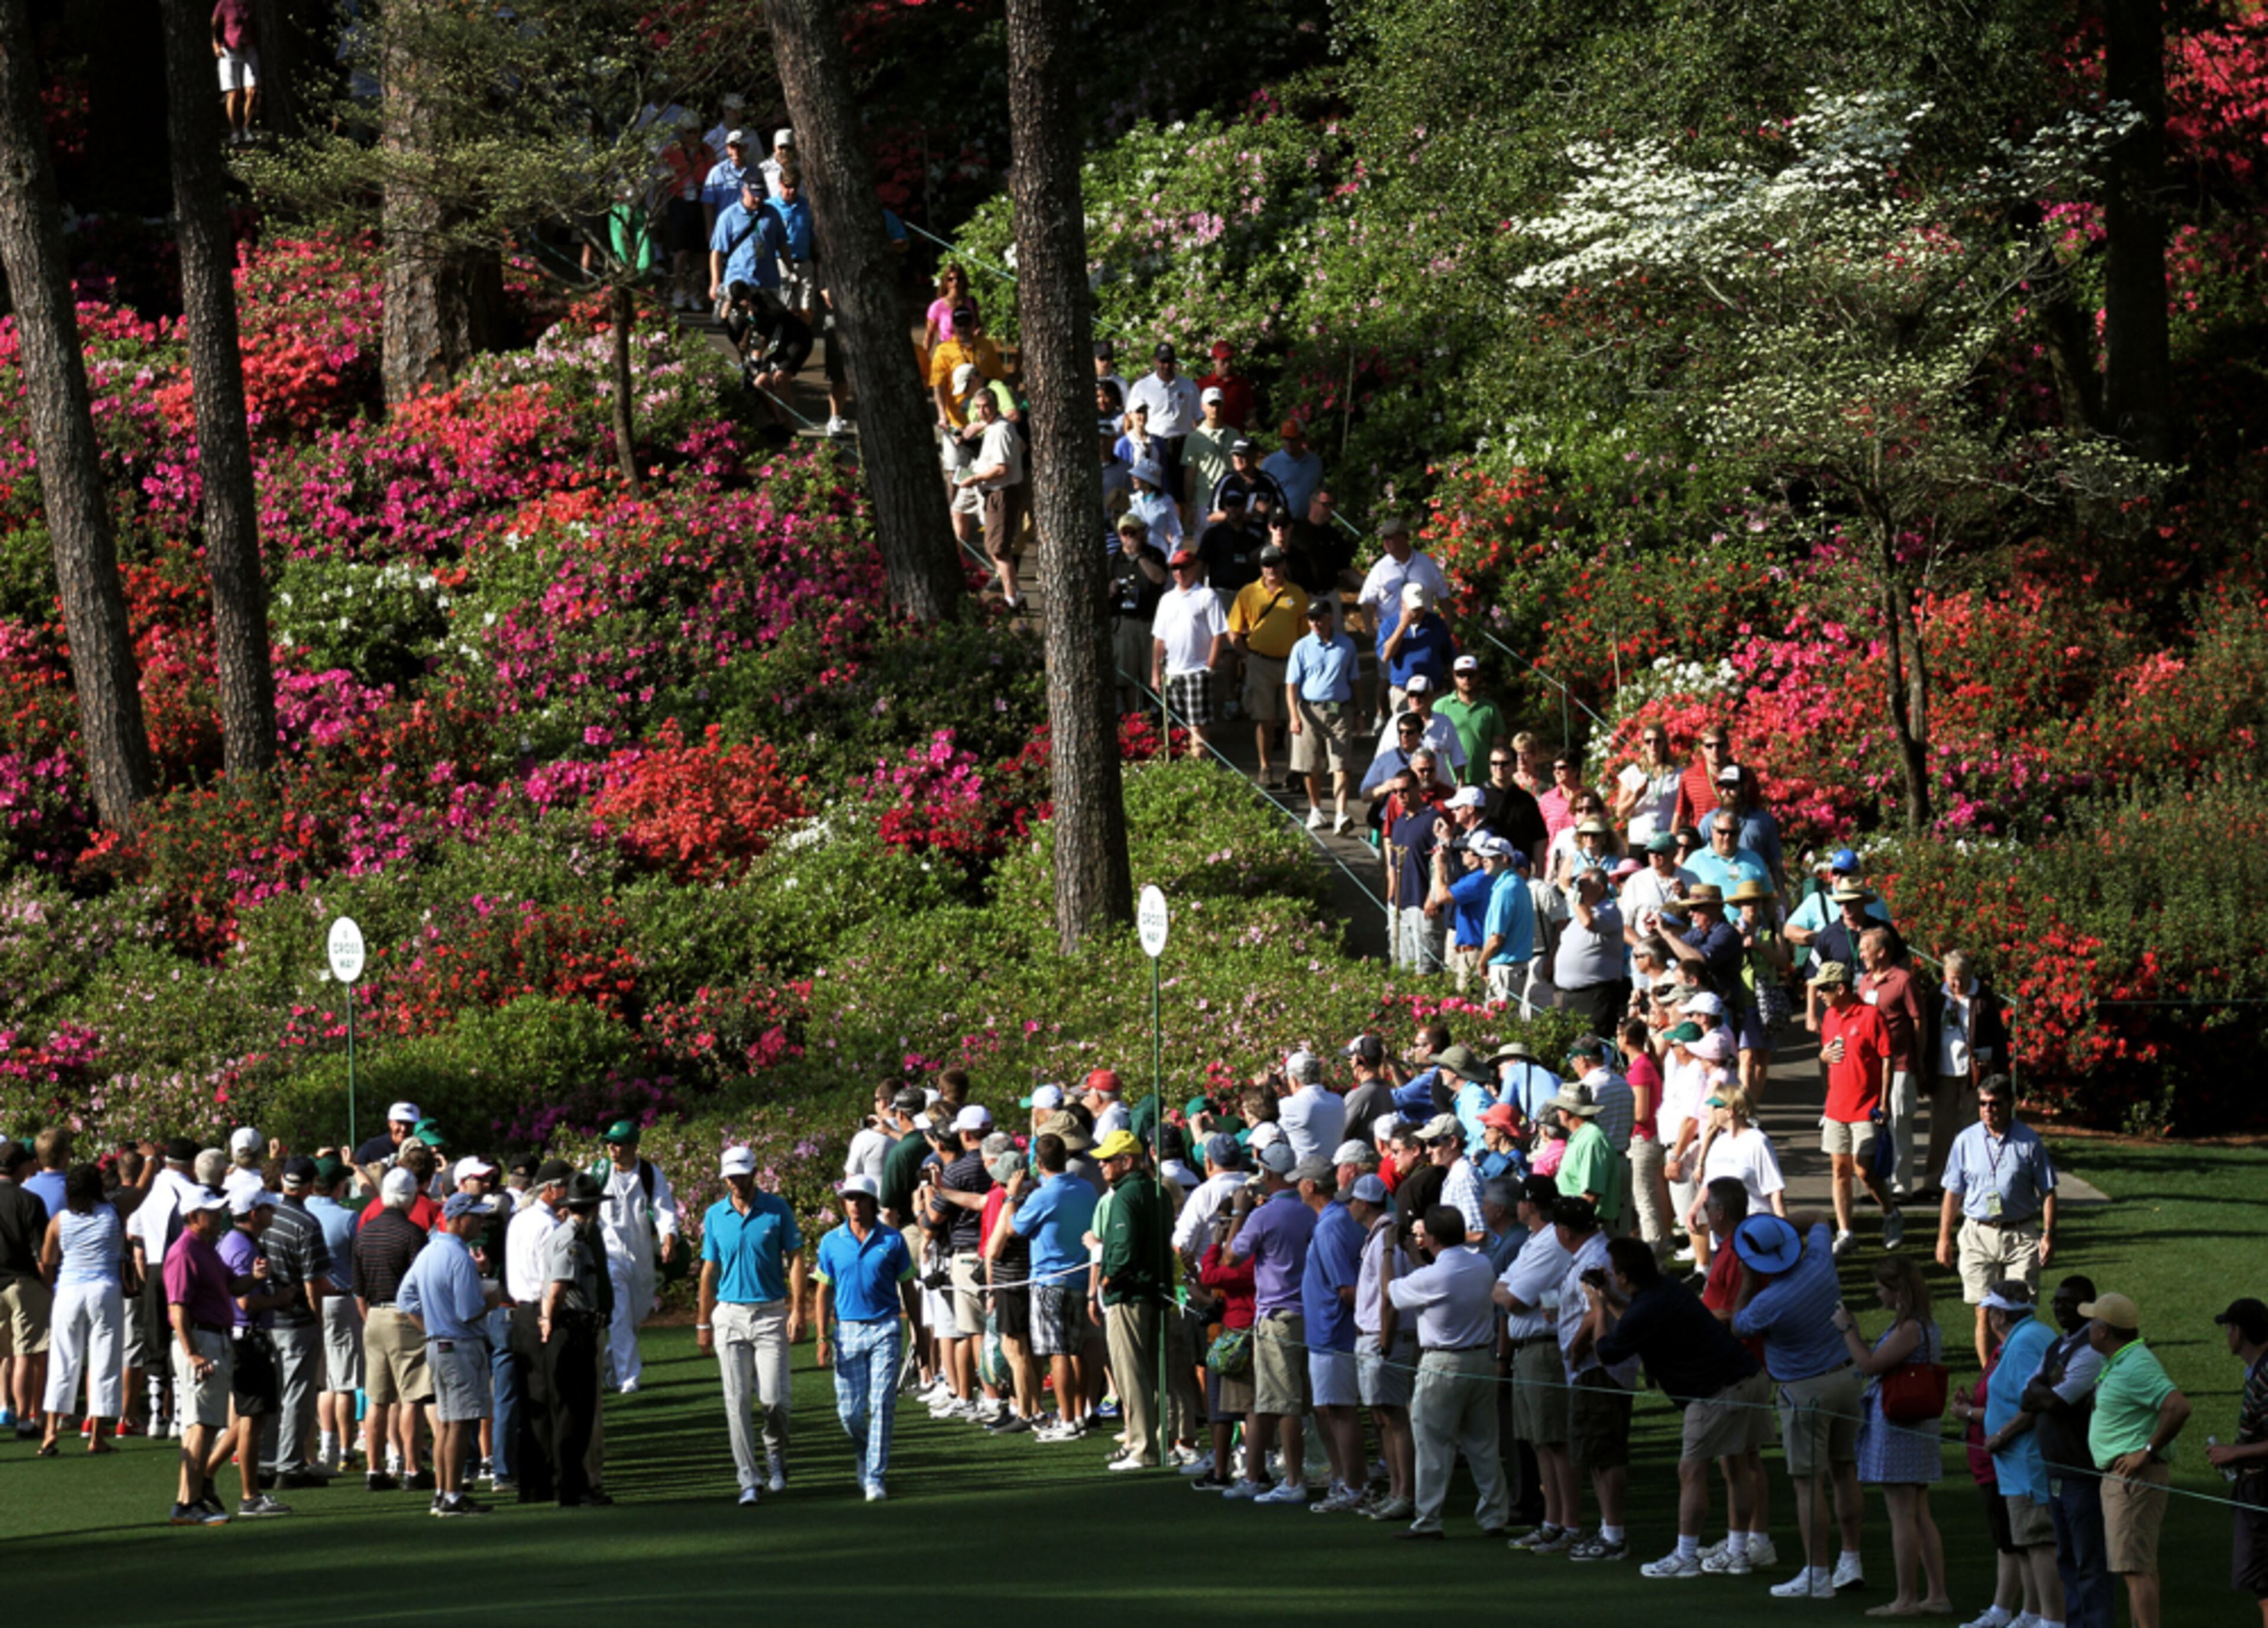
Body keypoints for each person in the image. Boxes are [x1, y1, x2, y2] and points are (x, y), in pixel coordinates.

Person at [1575, 1235, 1770, 1578]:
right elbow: (1638, 1320)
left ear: (1622, 1276)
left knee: (1691, 1470)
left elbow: (1607, 1352)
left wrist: (1598, 1309)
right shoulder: (1666, 1290)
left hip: (1715, 1391)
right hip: (1747, 1378)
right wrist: (1611, 1301)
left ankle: (1686, 1556)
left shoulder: (1649, 1306)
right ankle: (1739, 1552)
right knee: (1737, 1464)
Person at [1732, 1211, 1868, 1598]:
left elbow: (1739, 1324)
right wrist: (1780, 1225)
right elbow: (1821, 1217)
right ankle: (1851, 1559)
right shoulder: (1820, 1262)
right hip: (1847, 1378)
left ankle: (1818, 1574)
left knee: (1809, 1483)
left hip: (1804, 1391)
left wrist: (1745, 1280)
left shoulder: (1768, 1301)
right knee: (1846, 1469)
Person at [1383, 1203, 1510, 1539]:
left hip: (1442, 1363)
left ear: (1434, 1238)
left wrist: (1388, 1251)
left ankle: (1428, 1519)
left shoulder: (1432, 1276)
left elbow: (1392, 1292)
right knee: (1484, 1443)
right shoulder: (1481, 1264)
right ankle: (1495, 1515)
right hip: (1481, 1359)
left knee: (1433, 1445)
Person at [1836, 1255, 1954, 1614]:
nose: (1877, 1293)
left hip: (1900, 1425)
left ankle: (1906, 1598)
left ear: (1897, 1290)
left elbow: (1870, 1365)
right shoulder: (1924, 1325)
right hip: (1917, 1425)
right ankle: (1936, 1595)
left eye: (1881, 1287)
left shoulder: (1910, 1329)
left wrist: (1848, 1330)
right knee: (1919, 1512)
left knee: (1902, 1515)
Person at [698, 1145, 806, 1505]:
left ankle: (776, 1455)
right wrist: (703, 1321)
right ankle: (748, 1478)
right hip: (729, 1315)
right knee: (736, 1400)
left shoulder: (777, 1209)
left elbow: (795, 1258)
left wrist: (797, 1310)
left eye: (742, 1174)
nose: (737, 1181)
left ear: (754, 1173)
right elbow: (709, 1269)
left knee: (774, 1401)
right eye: (731, 1175)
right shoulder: (715, 1215)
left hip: (771, 1312)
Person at [2083, 1291, 2190, 1628]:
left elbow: (2178, 1407)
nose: (2087, 1328)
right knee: (2137, 1567)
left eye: (2092, 1323)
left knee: (2135, 1569)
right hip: (2124, 1480)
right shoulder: (2121, 1361)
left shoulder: (2137, 1365)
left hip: (2134, 1481)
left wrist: (2145, 1451)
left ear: (2104, 1331)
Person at [1937, 1075, 2058, 1369]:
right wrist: (1944, 1237)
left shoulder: (2029, 1141)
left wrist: (2048, 1234)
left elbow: (2048, 1191)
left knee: (2018, 1312)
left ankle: (2019, 1372)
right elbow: (1953, 1192)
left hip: (2020, 1235)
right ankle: (1989, 1377)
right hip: (1978, 1233)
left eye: (1994, 1104)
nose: (1988, 1110)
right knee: (1984, 1311)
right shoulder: (1965, 1141)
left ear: (2010, 1104)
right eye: (1983, 1104)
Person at [1221, 1140, 1318, 1502]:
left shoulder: (1264, 1215)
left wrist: (1238, 1213)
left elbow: (1231, 1258)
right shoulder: (1308, 1211)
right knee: (1273, 1399)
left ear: (1269, 1173)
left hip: (1278, 1316)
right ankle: (1258, 1475)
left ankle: (1294, 1481)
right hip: (1303, 1314)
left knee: (1285, 1403)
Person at [812, 1173, 914, 1502]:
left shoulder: (893, 1240)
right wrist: (822, 1337)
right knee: (850, 1413)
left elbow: (909, 1288)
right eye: (849, 1198)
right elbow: (823, 1291)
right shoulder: (830, 1242)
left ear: (872, 1202)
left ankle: (875, 1477)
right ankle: (865, 1453)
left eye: (860, 1198)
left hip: (886, 1327)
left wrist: (920, 1335)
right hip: (847, 1332)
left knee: (882, 1403)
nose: (854, 1203)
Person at [397, 1190, 499, 1517]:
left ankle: (444, 1492)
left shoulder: (430, 1252)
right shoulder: (458, 1257)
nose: (480, 1222)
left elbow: (406, 1299)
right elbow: (469, 1311)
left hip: (438, 1346)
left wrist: (430, 1327)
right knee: (460, 1423)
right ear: (457, 1218)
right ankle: (452, 1495)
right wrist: (492, 1301)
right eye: (476, 1216)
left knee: (446, 1423)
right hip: (460, 1347)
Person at [2023, 1276, 2113, 1628]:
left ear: (2088, 1308)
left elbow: (2060, 1402)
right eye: (2057, 1301)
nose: (2060, 1307)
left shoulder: (2090, 1350)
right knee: (2067, 1559)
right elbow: (2027, 1395)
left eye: (2069, 1302)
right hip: (2057, 1471)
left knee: (2090, 1563)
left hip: (2081, 1473)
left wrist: (2045, 1390)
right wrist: (2045, 1390)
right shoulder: (2056, 1347)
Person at [1094, 1129, 1187, 1471]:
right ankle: (1161, 1442)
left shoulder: (1126, 1196)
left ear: (1127, 1161)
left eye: (1108, 1160)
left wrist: (1108, 1277)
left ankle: (1143, 1447)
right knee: (1155, 1372)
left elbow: (1122, 1247)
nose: (1102, 1165)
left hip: (1130, 1293)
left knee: (1131, 1373)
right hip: (1155, 1291)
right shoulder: (1159, 1192)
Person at [1498, 1175, 1576, 1551]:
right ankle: (1553, 1521)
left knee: (1554, 1441)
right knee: (1539, 1442)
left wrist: (1505, 1290)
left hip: (1544, 1349)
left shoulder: (1550, 1244)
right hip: (1528, 1349)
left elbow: (1513, 1297)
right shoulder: (1534, 1241)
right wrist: (1505, 1290)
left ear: (1528, 1204)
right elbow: (1504, 1288)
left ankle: (1567, 1523)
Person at [1008, 1133, 1101, 1441]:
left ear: (1038, 1162)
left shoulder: (1043, 1196)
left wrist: (1011, 1196)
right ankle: (1079, 1414)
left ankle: (1067, 1420)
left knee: (1059, 1353)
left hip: (1050, 1282)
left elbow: (1014, 1228)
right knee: (1076, 1350)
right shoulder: (1086, 1188)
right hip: (1079, 1278)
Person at [162, 1187, 243, 1523]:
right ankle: (187, 1503)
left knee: (204, 1426)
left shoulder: (205, 1249)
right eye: (212, 1211)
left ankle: (189, 1500)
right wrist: (193, 1352)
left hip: (213, 1340)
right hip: (201, 1341)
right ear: (194, 1217)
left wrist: (258, 1278)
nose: (220, 1215)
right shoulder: (184, 1252)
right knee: (200, 1425)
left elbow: (233, 1287)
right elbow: (177, 1307)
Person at [1814, 961, 1904, 1255]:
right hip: (1836, 1106)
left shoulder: (1870, 1016)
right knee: (1840, 1169)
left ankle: (1890, 1214)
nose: (1819, 994)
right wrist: (1823, 1057)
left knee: (1864, 1170)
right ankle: (1846, 1232)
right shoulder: (1829, 1016)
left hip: (1866, 1107)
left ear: (1840, 988)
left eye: (1824, 989)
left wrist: (1884, 1101)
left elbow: (1887, 1059)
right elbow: (1827, 1055)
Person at [35, 1164, 123, 1454]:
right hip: (105, 1290)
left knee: (62, 1361)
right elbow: (141, 1189)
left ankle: (50, 1431)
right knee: (104, 1362)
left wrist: (52, 1291)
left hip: (69, 1291)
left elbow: (47, 1262)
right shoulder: (113, 1212)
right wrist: (149, 1163)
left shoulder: (60, 1221)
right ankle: (96, 1436)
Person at [539, 1174, 613, 1506]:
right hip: (572, 1330)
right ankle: (572, 1484)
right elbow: (558, 1289)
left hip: (571, 1328)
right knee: (576, 1411)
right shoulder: (572, 1241)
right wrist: (548, 1322)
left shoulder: (566, 1235)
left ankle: (571, 1482)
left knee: (574, 1410)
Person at [259, 1156, 332, 1488]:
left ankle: (267, 1460)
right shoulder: (306, 1223)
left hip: (266, 1315)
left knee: (274, 1394)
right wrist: (318, 1319)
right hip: (296, 1319)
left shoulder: (266, 1215)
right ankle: (289, 1466)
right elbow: (313, 1281)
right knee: (297, 1395)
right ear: (308, 1185)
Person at [1347, 1172, 1416, 1517]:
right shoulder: (1380, 1237)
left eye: (1352, 1201)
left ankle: (1404, 1493)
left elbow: (1390, 1297)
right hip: (1377, 1338)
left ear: (1362, 1204)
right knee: (1383, 1416)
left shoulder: (1384, 1240)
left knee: (1394, 1417)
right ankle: (1396, 1490)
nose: (1349, 1206)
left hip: (1382, 1339)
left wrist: (1385, 1344)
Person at [592, 1120, 679, 1395]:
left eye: (617, 1144)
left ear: (632, 1146)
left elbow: (664, 1209)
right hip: (610, 1254)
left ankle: (611, 1362)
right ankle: (629, 1379)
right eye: (609, 1143)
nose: (612, 1149)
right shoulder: (599, 1172)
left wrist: (669, 1239)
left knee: (635, 1316)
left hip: (640, 1256)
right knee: (619, 1315)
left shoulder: (651, 1175)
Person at [2206, 1296, 2268, 1621]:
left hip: (2262, 1490)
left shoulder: (2266, 1375)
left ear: (2239, 1332)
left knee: (2266, 1586)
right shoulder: (2257, 1371)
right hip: (2254, 1484)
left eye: (2228, 1327)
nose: (2227, 1335)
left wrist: (2235, 1452)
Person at [1927, 951, 2010, 1190]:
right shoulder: (1936, 996)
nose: (1957, 984)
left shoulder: (1982, 997)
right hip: (1943, 1070)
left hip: (1975, 1074)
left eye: (1962, 977)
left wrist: (1996, 1068)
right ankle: (1935, 1182)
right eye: (1952, 978)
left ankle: (1970, 1182)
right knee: (1941, 1128)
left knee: (1972, 1128)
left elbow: (1997, 1036)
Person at [1228, 546, 1305, 788]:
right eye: (1266, 564)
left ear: (1283, 564)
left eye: (1275, 563)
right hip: (1260, 662)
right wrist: (1246, 656)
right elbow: (1233, 630)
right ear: (1261, 567)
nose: (1271, 569)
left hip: (1291, 664)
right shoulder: (1248, 593)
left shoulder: (1297, 594)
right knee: (1265, 720)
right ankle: (1265, 766)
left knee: (1293, 719)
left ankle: (1294, 769)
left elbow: (1305, 635)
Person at [1859, 926, 1927, 1198]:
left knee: (1899, 1122)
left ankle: (1901, 1185)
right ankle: (1878, 1185)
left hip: (1899, 1065)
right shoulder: (1864, 982)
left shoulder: (1903, 981)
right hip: (1871, 1068)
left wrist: (1918, 1058)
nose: (1862, 954)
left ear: (1882, 952)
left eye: (1866, 949)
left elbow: (1918, 1020)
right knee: (1873, 1125)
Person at [304, 1156, 362, 1475]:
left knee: (323, 1379)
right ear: (338, 1186)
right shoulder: (348, 1218)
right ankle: (344, 1449)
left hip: (311, 1300)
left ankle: (327, 1448)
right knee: (344, 1382)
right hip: (340, 1299)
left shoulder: (303, 1213)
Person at [1285, 596, 1359, 832]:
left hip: (1339, 710)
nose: (1315, 623)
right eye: (1311, 619)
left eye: (1319, 619)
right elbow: (1291, 686)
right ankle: (1316, 810)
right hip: (1308, 711)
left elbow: (1355, 680)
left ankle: (1341, 814)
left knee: (1341, 765)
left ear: (1330, 619)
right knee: (1311, 766)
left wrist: (1360, 712)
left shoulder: (1347, 645)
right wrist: (1293, 717)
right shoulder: (1301, 647)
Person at [1152, 548, 1228, 758]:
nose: (1179, 572)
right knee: (1176, 729)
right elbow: (1159, 639)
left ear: (1194, 568)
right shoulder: (1166, 600)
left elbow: (1219, 634)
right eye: (1175, 568)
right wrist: (1156, 674)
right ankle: (1183, 774)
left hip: (1197, 671)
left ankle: (1200, 773)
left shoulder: (1206, 596)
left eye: (1184, 567)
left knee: (1198, 727)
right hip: (1172, 673)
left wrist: (1209, 668)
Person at [1126, 342, 1202, 508]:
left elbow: (1198, 420)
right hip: (1154, 444)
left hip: (1183, 444)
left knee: (1180, 493)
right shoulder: (1142, 387)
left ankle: (1178, 531)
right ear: (1155, 361)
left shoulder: (1189, 386)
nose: (1166, 366)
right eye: (1162, 361)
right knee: (1154, 490)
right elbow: (1129, 419)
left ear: (1175, 361)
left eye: (1169, 361)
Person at [1109, 516, 1169, 713]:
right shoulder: (1113, 560)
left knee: (1149, 673)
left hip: (1150, 622)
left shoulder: (1154, 555)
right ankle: (1130, 719)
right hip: (1124, 623)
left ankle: (1151, 715)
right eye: (1124, 534)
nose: (1129, 538)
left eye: (1133, 533)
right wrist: (1110, 589)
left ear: (1142, 533)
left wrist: (1140, 557)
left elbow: (1160, 579)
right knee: (1126, 677)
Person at [210, 0, 259, 144]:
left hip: (249, 48)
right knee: (233, 94)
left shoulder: (250, 4)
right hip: (230, 51)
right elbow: (215, 23)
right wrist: (216, 43)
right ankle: (234, 130)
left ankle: (247, 127)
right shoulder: (224, 4)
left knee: (252, 90)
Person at [1263, 418, 1324, 523]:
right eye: (1286, 439)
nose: (1289, 443)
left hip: (1308, 524)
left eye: (1293, 439)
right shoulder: (1271, 463)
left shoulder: (1315, 462)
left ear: (1302, 438)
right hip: (1280, 524)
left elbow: (1321, 490)